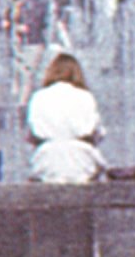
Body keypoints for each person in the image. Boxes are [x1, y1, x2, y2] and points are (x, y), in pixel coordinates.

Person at [25, 52, 107, 186]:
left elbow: (31, 136)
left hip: (48, 159)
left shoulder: (38, 97)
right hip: (81, 159)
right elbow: (96, 132)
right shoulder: (85, 96)